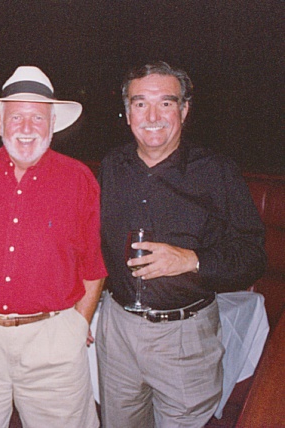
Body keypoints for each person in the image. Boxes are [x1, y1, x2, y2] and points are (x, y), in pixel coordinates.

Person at [97, 61, 267, 427]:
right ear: (128, 113)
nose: (152, 116)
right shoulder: (111, 167)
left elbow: (253, 255)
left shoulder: (216, 171)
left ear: (184, 110)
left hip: (185, 336)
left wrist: (192, 260)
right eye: (140, 103)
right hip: (117, 329)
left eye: (166, 103)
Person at [0, 66, 107, 428]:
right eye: (16, 117)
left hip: (53, 343)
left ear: (53, 124)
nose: (26, 128)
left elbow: (93, 266)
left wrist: (76, 327)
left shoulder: (79, 179)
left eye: (38, 117)